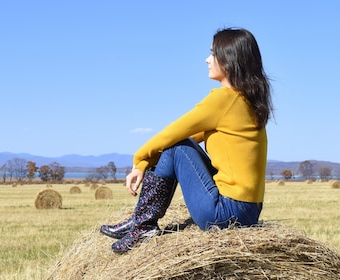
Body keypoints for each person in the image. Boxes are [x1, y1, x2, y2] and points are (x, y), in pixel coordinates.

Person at [100, 27, 274, 253]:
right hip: (248, 211)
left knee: (177, 147)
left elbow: (173, 133)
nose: (207, 60)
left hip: (225, 213)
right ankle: (140, 222)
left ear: (229, 60)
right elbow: (192, 136)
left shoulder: (224, 99)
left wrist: (139, 159)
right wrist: (147, 162)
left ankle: (142, 225)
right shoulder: (247, 102)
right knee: (179, 146)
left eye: (213, 54)